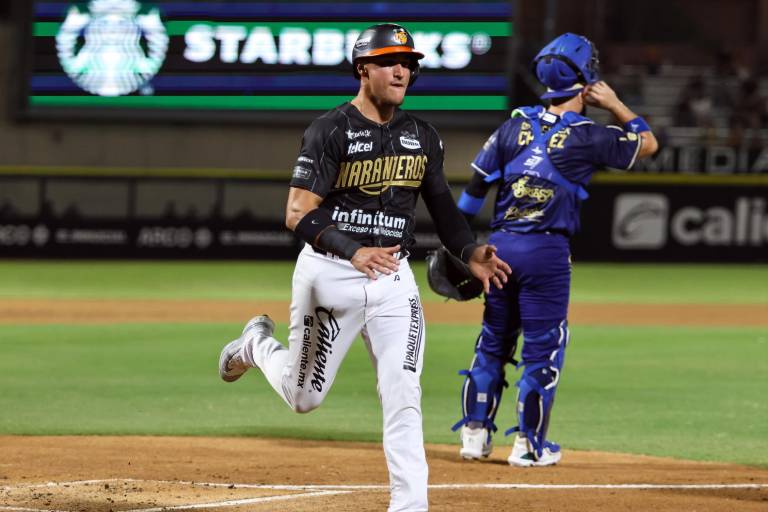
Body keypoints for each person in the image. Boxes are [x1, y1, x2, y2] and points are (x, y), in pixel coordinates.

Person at [217, 23, 511, 511]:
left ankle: (410, 506)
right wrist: (352, 250)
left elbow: (443, 212)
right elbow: (296, 212)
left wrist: (470, 250)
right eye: (391, 61)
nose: (403, 70)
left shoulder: (423, 136)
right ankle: (257, 344)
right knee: (303, 397)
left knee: (404, 392)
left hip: (393, 280)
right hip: (330, 276)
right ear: (363, 69)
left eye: (409, 63)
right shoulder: (329, 130)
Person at [450, 33, 658, 467]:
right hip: (545, 254)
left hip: (499, 248)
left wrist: (464, 248)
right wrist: (616, 104)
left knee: (492, 343)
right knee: (543, 350)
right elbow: (647, 143)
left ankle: (474, 436)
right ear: (586, 78)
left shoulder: (512, 125)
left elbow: (470, 196)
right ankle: (528, 446)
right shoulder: (589, 136)